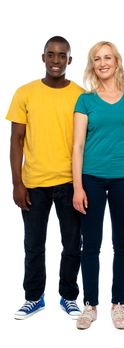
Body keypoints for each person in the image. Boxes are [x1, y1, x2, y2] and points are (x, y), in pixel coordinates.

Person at [6, 36, 84, 320]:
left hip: (69, 182)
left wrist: (81, 183)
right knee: (33, 244)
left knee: (73, 243)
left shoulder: (80, 95)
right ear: (43, 58)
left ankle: (68, 296)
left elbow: (85, 142)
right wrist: (17, 182)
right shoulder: (25, 93)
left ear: (69, 60)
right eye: (51, 54)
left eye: (62, 55)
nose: (56, 60)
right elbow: (16, 140)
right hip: (34, 183)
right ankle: (34, 297)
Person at [72, 41, 124, 330]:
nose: (102, 62)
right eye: (96, 59)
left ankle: (118, 304)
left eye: (107, 57)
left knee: (123, 243)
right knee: (90, 243)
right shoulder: (85, 100)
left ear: (116, 61)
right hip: (91, 176)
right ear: (93, 65)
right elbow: (77, 146)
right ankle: (90, 305)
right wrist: (78, 186)